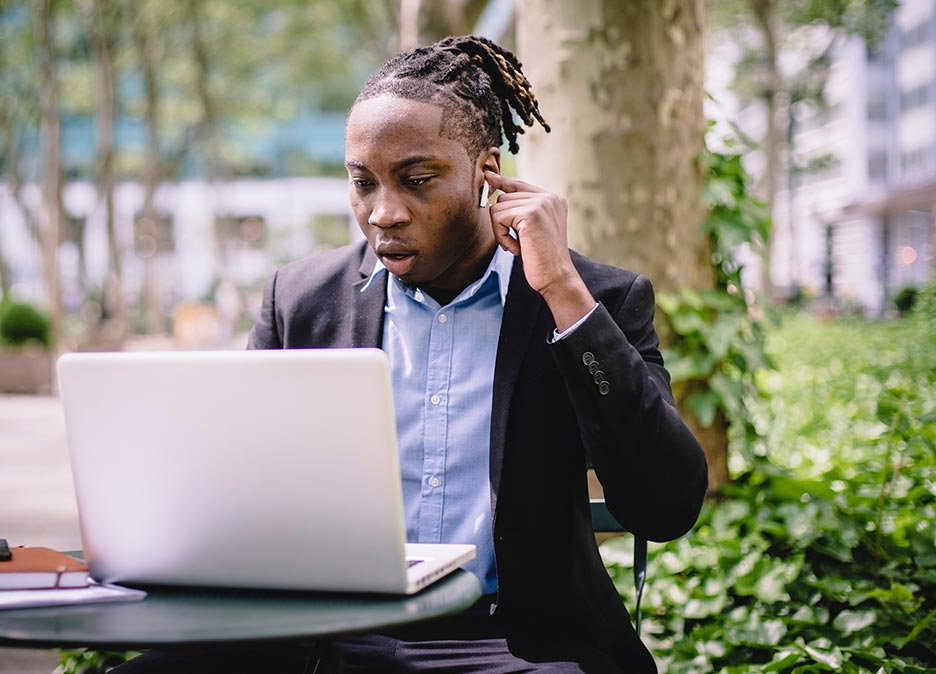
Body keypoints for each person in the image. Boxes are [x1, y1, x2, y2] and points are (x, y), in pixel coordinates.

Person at [116, 35, 707, 674]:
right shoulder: (301, 300)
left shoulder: (591, 300)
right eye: (362, 183)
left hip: (511, 645)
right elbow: (244, 489)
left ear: (486, 173)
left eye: (417, 181)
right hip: (326, 636)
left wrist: (563, 292)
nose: (384, 213)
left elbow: (664, 506)